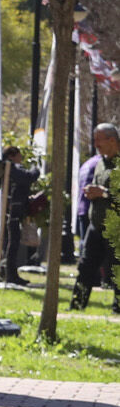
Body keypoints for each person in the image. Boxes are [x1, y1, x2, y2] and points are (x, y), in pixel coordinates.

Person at [75, 124, 120, 311]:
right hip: (96, 225)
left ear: (112, 140)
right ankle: (77, 305)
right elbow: (96, 185)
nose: (95, 144)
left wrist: (103, 193)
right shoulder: (100, 162)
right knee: (85, 266)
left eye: (98, 140)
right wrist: (91, 192)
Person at [0, 146, 39, 284]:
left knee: (11, 244)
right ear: (11, 155)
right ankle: (10, 275)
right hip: (11, 213)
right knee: (12, 244)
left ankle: (8, 273)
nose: (21, 158)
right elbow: (27, 177)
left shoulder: (8, 167)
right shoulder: (9, 166)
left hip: (13, 211)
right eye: (19, 155)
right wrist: (35, 170)